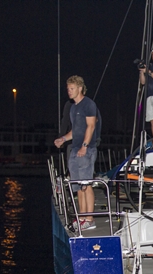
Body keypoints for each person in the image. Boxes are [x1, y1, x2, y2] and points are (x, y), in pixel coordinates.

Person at [54, 75, 102, 231]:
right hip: (74, 149)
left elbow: (91, 126)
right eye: (68, 88)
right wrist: (63, 139)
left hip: (86, 149)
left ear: (80, 88)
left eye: (72, 88)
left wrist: (85, 146)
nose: (69, 91)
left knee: (86, 184)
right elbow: (75, 130)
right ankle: (81, 217)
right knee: (77, 185)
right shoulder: (73, 108)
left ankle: (90, 218)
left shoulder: (88, 104)